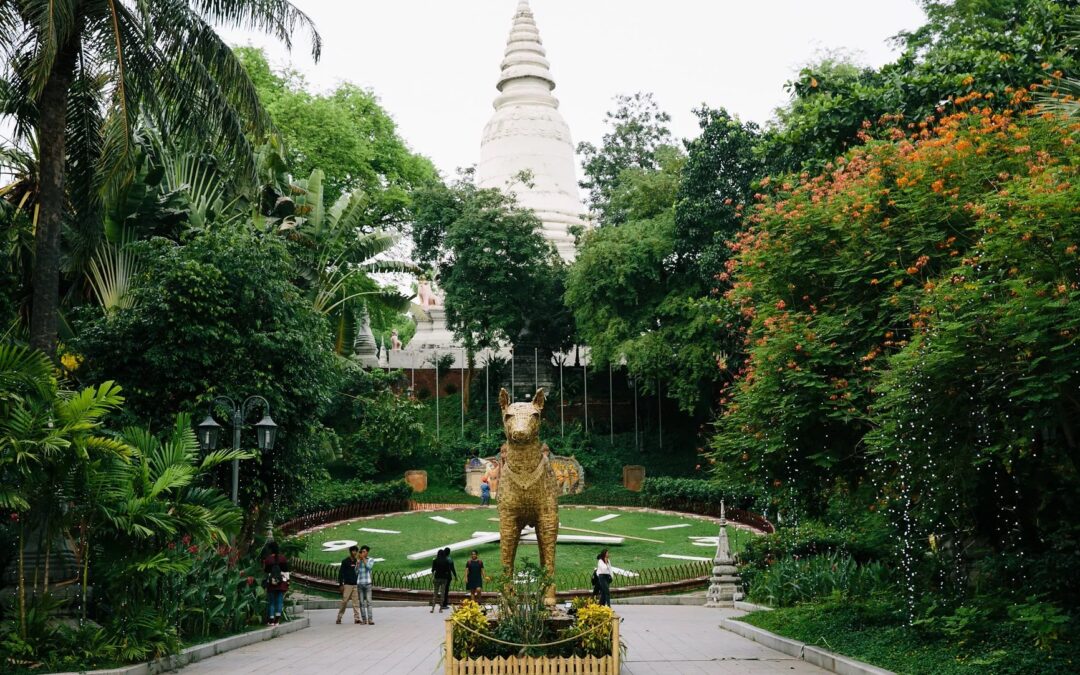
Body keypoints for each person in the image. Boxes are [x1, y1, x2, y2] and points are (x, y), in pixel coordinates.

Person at [262, 541, 290, 625]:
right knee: (279, 601)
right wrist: (288, 581)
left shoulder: (268, 559)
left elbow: (266, 571)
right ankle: (277, 620)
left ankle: (271, 619)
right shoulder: (282, 558)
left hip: (271, 582)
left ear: (270, 549)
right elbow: (286, 571)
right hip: (281, 582)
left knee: (271, 601)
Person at [336, 545, 361, 624]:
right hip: (347, 585)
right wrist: (341, 584)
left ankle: (357, 618)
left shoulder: (357, 561)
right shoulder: (345, 561)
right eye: (353, 551)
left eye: (356, 551)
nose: (355, 552)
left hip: (355, 585)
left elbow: (358, 572)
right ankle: (339, 617)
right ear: (350, 552)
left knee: (356, 602)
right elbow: (341, 573)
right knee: (344, 601)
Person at [357, 545, 375, 625]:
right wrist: (358, 563)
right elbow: (356, 572)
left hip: (368, 583)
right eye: (362, 552)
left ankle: (370, 619)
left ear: (367, 552)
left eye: (364, 551)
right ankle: (364, 620)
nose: (363, 553)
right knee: (361, 603)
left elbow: (369, 568)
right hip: (360, 583)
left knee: (369, 602)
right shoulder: (359, 560)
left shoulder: (370, 559)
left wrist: (363, 559)